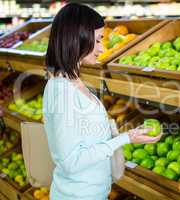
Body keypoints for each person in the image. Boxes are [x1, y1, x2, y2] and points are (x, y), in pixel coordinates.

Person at [42, 3, 161, 200]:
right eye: (98, 40)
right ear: (78, 39)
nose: (102, 48)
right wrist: (126, 138)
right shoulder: (61, 91)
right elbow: (72, 161)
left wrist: (122, 134)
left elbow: (86, 137)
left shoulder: (72, 81)